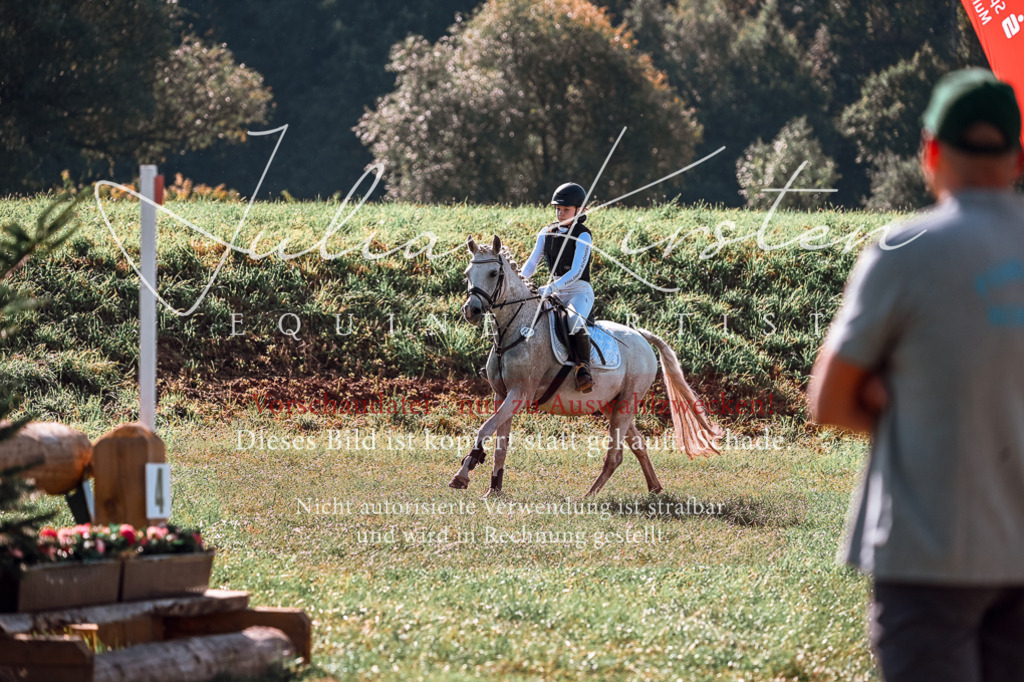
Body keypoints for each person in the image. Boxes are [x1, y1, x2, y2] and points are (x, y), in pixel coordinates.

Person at [808, 68, 1024, 682]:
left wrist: (901, 395)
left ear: (930, 152)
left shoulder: (905, 251)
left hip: (929, 554)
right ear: (1018, 156)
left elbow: (828, 401)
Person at [521, 182, 595, 393]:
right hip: (554, 291)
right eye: (558, 209)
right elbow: (532, 263)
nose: (560, 213)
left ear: (579, 210)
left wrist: (551, 287)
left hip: (578, 291)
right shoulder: (547, 232)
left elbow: (576, 272)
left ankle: (583, 368)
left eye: (566, 209)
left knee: (572, 321)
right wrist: (520, 280)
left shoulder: (583, 234)